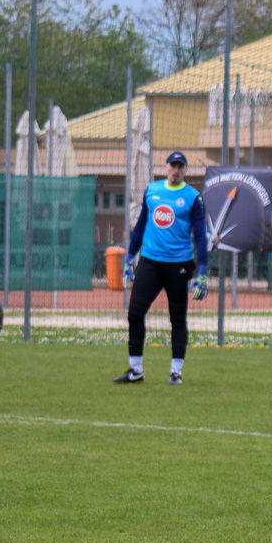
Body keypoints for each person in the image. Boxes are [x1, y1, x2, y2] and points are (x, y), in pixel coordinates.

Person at [115, 151, 208, 385]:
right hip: (150, 261)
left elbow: (201, 236)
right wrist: (129, 257)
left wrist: (203, 272)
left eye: (180, 166)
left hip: (179, 264)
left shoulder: (193, 198)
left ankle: (175, 372)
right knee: (135, 312)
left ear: (186, 170)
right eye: (172, 166)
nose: (176, 170)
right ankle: (136, 370)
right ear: (165, 167)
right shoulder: (152, 190)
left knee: (177, 318)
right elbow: (140, 226)